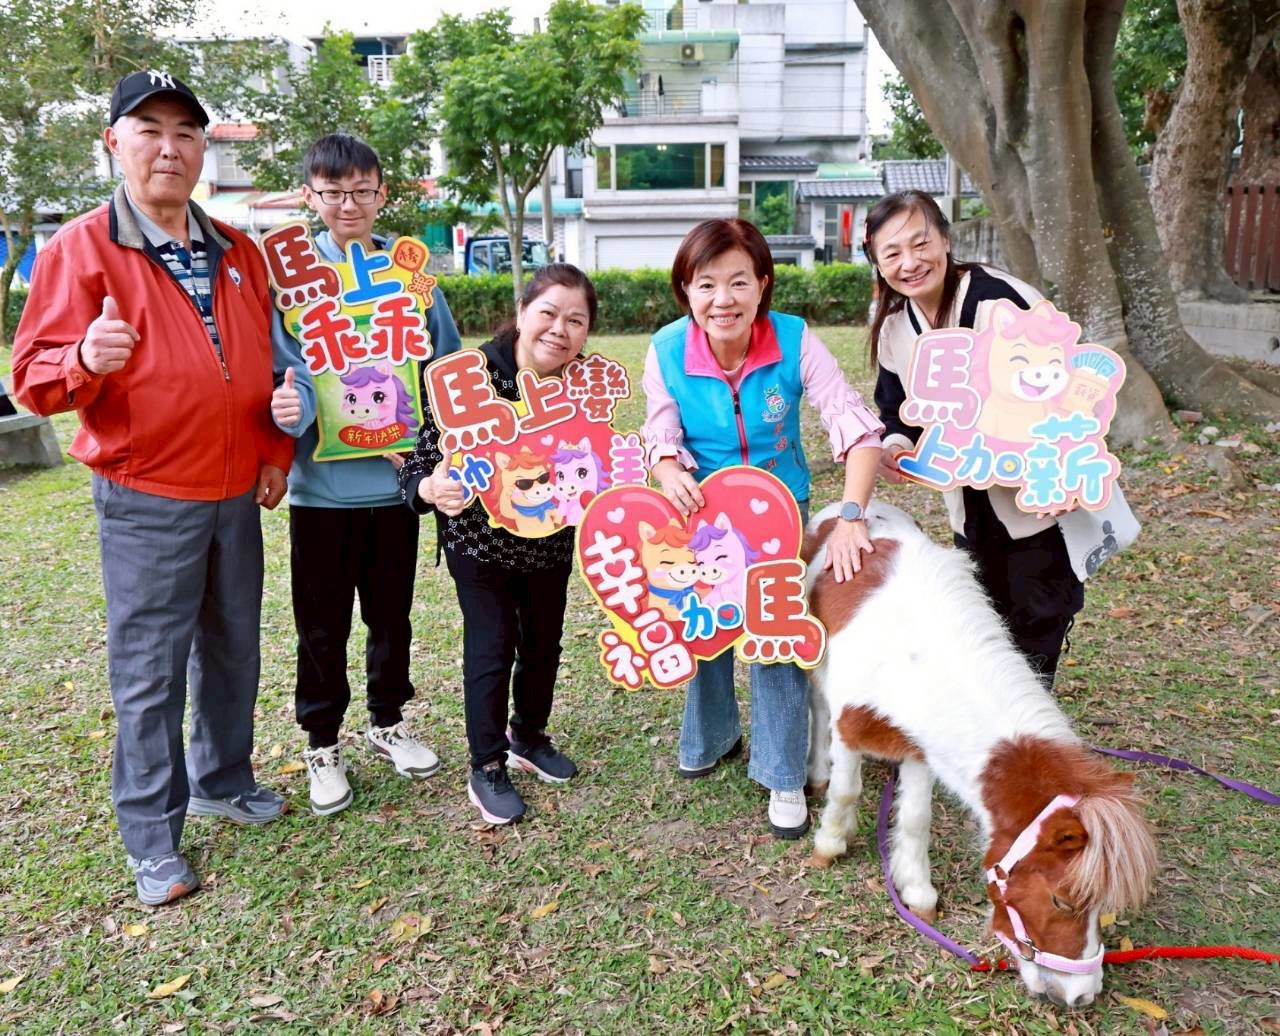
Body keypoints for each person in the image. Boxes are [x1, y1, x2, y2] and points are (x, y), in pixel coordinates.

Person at [11, 70, 293, 905]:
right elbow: (31, 378)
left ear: (204, 148)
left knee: (235, 647)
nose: (169, 147)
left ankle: (224, 779)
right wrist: (81, 360)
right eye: (149, 130)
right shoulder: (79, 248)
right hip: (147, 495)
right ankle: (152, 837)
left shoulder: (238, 250)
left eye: (185, 132)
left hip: (237, 489)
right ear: (115, 143)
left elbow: (273, 368)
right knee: (150, 671)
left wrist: (276, 445)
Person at [643, 218, 884, 839]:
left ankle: (781, 772)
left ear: (763, 285)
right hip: (702, 511)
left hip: (781, 509)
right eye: (705, 285)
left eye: (738, 283)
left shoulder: (797, 340)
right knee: (706, 624)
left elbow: (855, 430)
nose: (722, 299)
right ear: (686, 292)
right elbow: (661, 432)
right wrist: (667, 468)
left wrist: (853, 516)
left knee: (775, 633)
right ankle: (711, 735)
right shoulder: (667, 348)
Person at [268, 134, 463, 816]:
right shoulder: (290, 282)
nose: (347, 203)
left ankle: (388, 723)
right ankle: (322, 742)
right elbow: (280, 381)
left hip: (395, 488)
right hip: (319, 492)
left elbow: (446, 366)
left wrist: (431, 448)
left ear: (382, 194)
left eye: (360, 191)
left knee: (391, 616)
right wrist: (288, 412)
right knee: (319, 625)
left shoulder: (411, 277)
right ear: (310, 197)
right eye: (332, 191)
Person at [399, 264, 595, 825]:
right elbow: (417, 463)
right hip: (479, 543)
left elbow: (598, 459)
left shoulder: (582, 386)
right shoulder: (467, 377)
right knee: (491, 647)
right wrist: (430, 487)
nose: (560, 330)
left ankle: (527, 736)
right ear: (522, 313)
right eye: (549, 313)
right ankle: (486, 765)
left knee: (544, 643)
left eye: (576, 321)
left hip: (549, 539)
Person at [864, 189, 1082, 683]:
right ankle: (1001, 726)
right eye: (892, 253)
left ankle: (1032, 724)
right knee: (987, 616)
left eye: (920, 243)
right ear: (877, 263)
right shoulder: (896, 329)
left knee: (1038, 612)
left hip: (1033, 501)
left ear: (944, 238)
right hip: (968, 504)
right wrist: (896, 449)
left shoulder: (1001, 302)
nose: (910, 262)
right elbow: (896, 414)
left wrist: (1064, 465)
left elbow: (1068, 389)